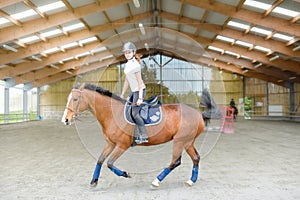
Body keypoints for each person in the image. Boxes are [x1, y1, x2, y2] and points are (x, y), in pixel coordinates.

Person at [120, 42, 148, 144]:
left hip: (140, 90)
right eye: (125, 53)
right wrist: (122, 94)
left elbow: (140, 83)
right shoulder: (127, 65)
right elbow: (127, 81)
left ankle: (144, 136)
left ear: (133, 52)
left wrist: (140, 98)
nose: (127, 54)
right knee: (128, 111)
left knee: (135, 114)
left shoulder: (136, 65)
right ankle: (135, 136)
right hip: (134, 91)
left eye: (129, 52)